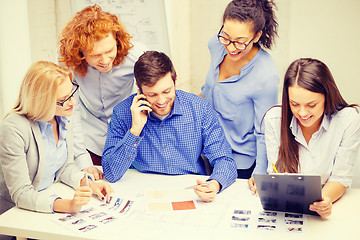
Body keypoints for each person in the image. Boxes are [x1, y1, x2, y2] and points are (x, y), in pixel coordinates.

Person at [102, 51, 237, 202]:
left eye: (167, 91)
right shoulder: (122, 113)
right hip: (142, 192)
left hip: (190, 190)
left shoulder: (199, 108)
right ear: (139, 89)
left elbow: (224, 159)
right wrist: (135, 130)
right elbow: (111, 173)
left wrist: (215, 183)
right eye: (152, 95)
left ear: (175, 80)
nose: (161, 101)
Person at [0, 61, 113, 215]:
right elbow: (21, 193)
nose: (72, 103)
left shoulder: (63, 116)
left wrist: (89, 184)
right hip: (14, 212)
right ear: (42, 102)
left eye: (72, 93)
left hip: (45, 198)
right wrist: (68, 205)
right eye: (64, 99)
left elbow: (64, 167)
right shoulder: (13, 129)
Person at [262, 58, 360, 218]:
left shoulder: (348, 120)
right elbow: (276, 174)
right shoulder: (274, 119)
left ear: (327, 96)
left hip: (332, 205)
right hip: (288, 207)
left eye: (311, 105)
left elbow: (340, 177)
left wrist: (324, 200)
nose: (302, 113)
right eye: (294, 104)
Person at [58, 4, 146, 166]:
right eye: (95, 55)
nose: (105, 61)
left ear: (117, 42)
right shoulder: (69, 64)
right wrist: (82, 160)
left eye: (109, 51)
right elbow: (71, 113)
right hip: (90, 140)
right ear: (80, 52)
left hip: (128, 136)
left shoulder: (137, 56)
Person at [200, 0, 279, 180]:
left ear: (257, 36)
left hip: (239, 163)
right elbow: (208, 90)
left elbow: (265, 130)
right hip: (208, 150)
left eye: (240, 42)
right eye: (226, 37)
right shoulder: (216, 44)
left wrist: (260, 172)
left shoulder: (266, 75)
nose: (230, 47)